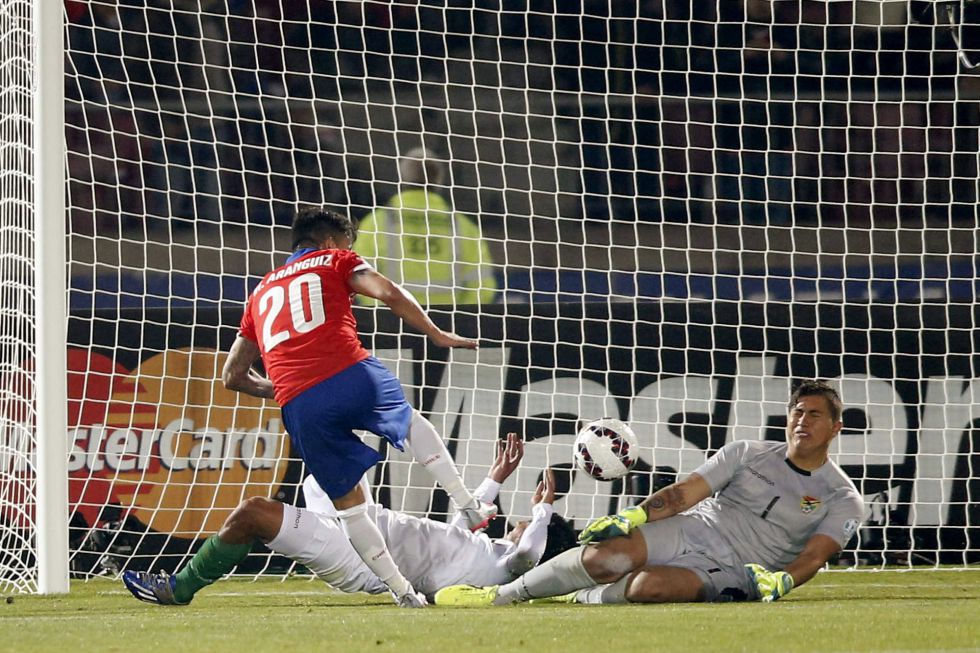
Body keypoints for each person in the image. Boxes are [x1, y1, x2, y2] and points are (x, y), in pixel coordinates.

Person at [126, 208, 496, 608]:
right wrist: (437, 334)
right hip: (350, 371)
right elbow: (388, 292)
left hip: (303, 406)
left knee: (352, 511)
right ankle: (468, 504)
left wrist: (289, 387)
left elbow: (232, 375)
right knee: (407, 421)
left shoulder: (261, 292)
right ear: (332, 243)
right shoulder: (336, 260)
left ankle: (404, 595)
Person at [435, 379, 865, 606]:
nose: (802, 421)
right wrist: (633, 517)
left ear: (835, 428)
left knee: (647, 588)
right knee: (606, 557)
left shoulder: (843, 497)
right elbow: (683, 494)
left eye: (814, 415)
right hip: (694, 528)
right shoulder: (746, 453)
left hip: (741, 567)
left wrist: (784, 580)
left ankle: (578, 596)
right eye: (797, 412)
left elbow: (814, 556)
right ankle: (499, 597)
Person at [122, 434, 577, 605]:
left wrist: (544, 510)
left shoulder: (511, 571)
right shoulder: (488, 555)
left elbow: (531, 555)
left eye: (523, 525)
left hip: (363, 558)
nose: (516, 524)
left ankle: (178, 589)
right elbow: (466, 527)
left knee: (252, 513)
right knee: (332, 440)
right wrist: (495, 478)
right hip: (366, 518)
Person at [355, 147, 496, 306]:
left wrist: (382, 315)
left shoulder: (376, 223)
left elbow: (360, 277)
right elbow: (483, 287)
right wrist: (460, 319)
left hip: (393, 321)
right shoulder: (464, 227)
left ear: (402, 177)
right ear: (439, 180)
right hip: (447, 324)